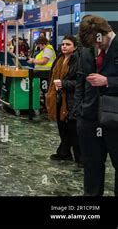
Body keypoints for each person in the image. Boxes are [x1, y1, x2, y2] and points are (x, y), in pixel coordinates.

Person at [74, 15, 118, 196]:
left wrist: (108, 81)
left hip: (114, 118)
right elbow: (80, 81)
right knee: (91, 168)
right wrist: (78, 110)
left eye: (98, 43)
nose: (96, 47)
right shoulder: (87, 50)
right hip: (89, 118)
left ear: (106, 32)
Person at [45, 35, 81, 166]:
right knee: (61, 126)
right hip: (58, 97)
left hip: (71, 99)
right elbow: (51, 75)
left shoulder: (77, 61)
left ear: (75, 47)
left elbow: (79, 82)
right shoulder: (59, 59)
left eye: (68, 44)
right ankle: (65, 153)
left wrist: (64, 84)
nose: (64, 46)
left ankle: (77, 157)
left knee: (72, 128)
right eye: (63, 44)